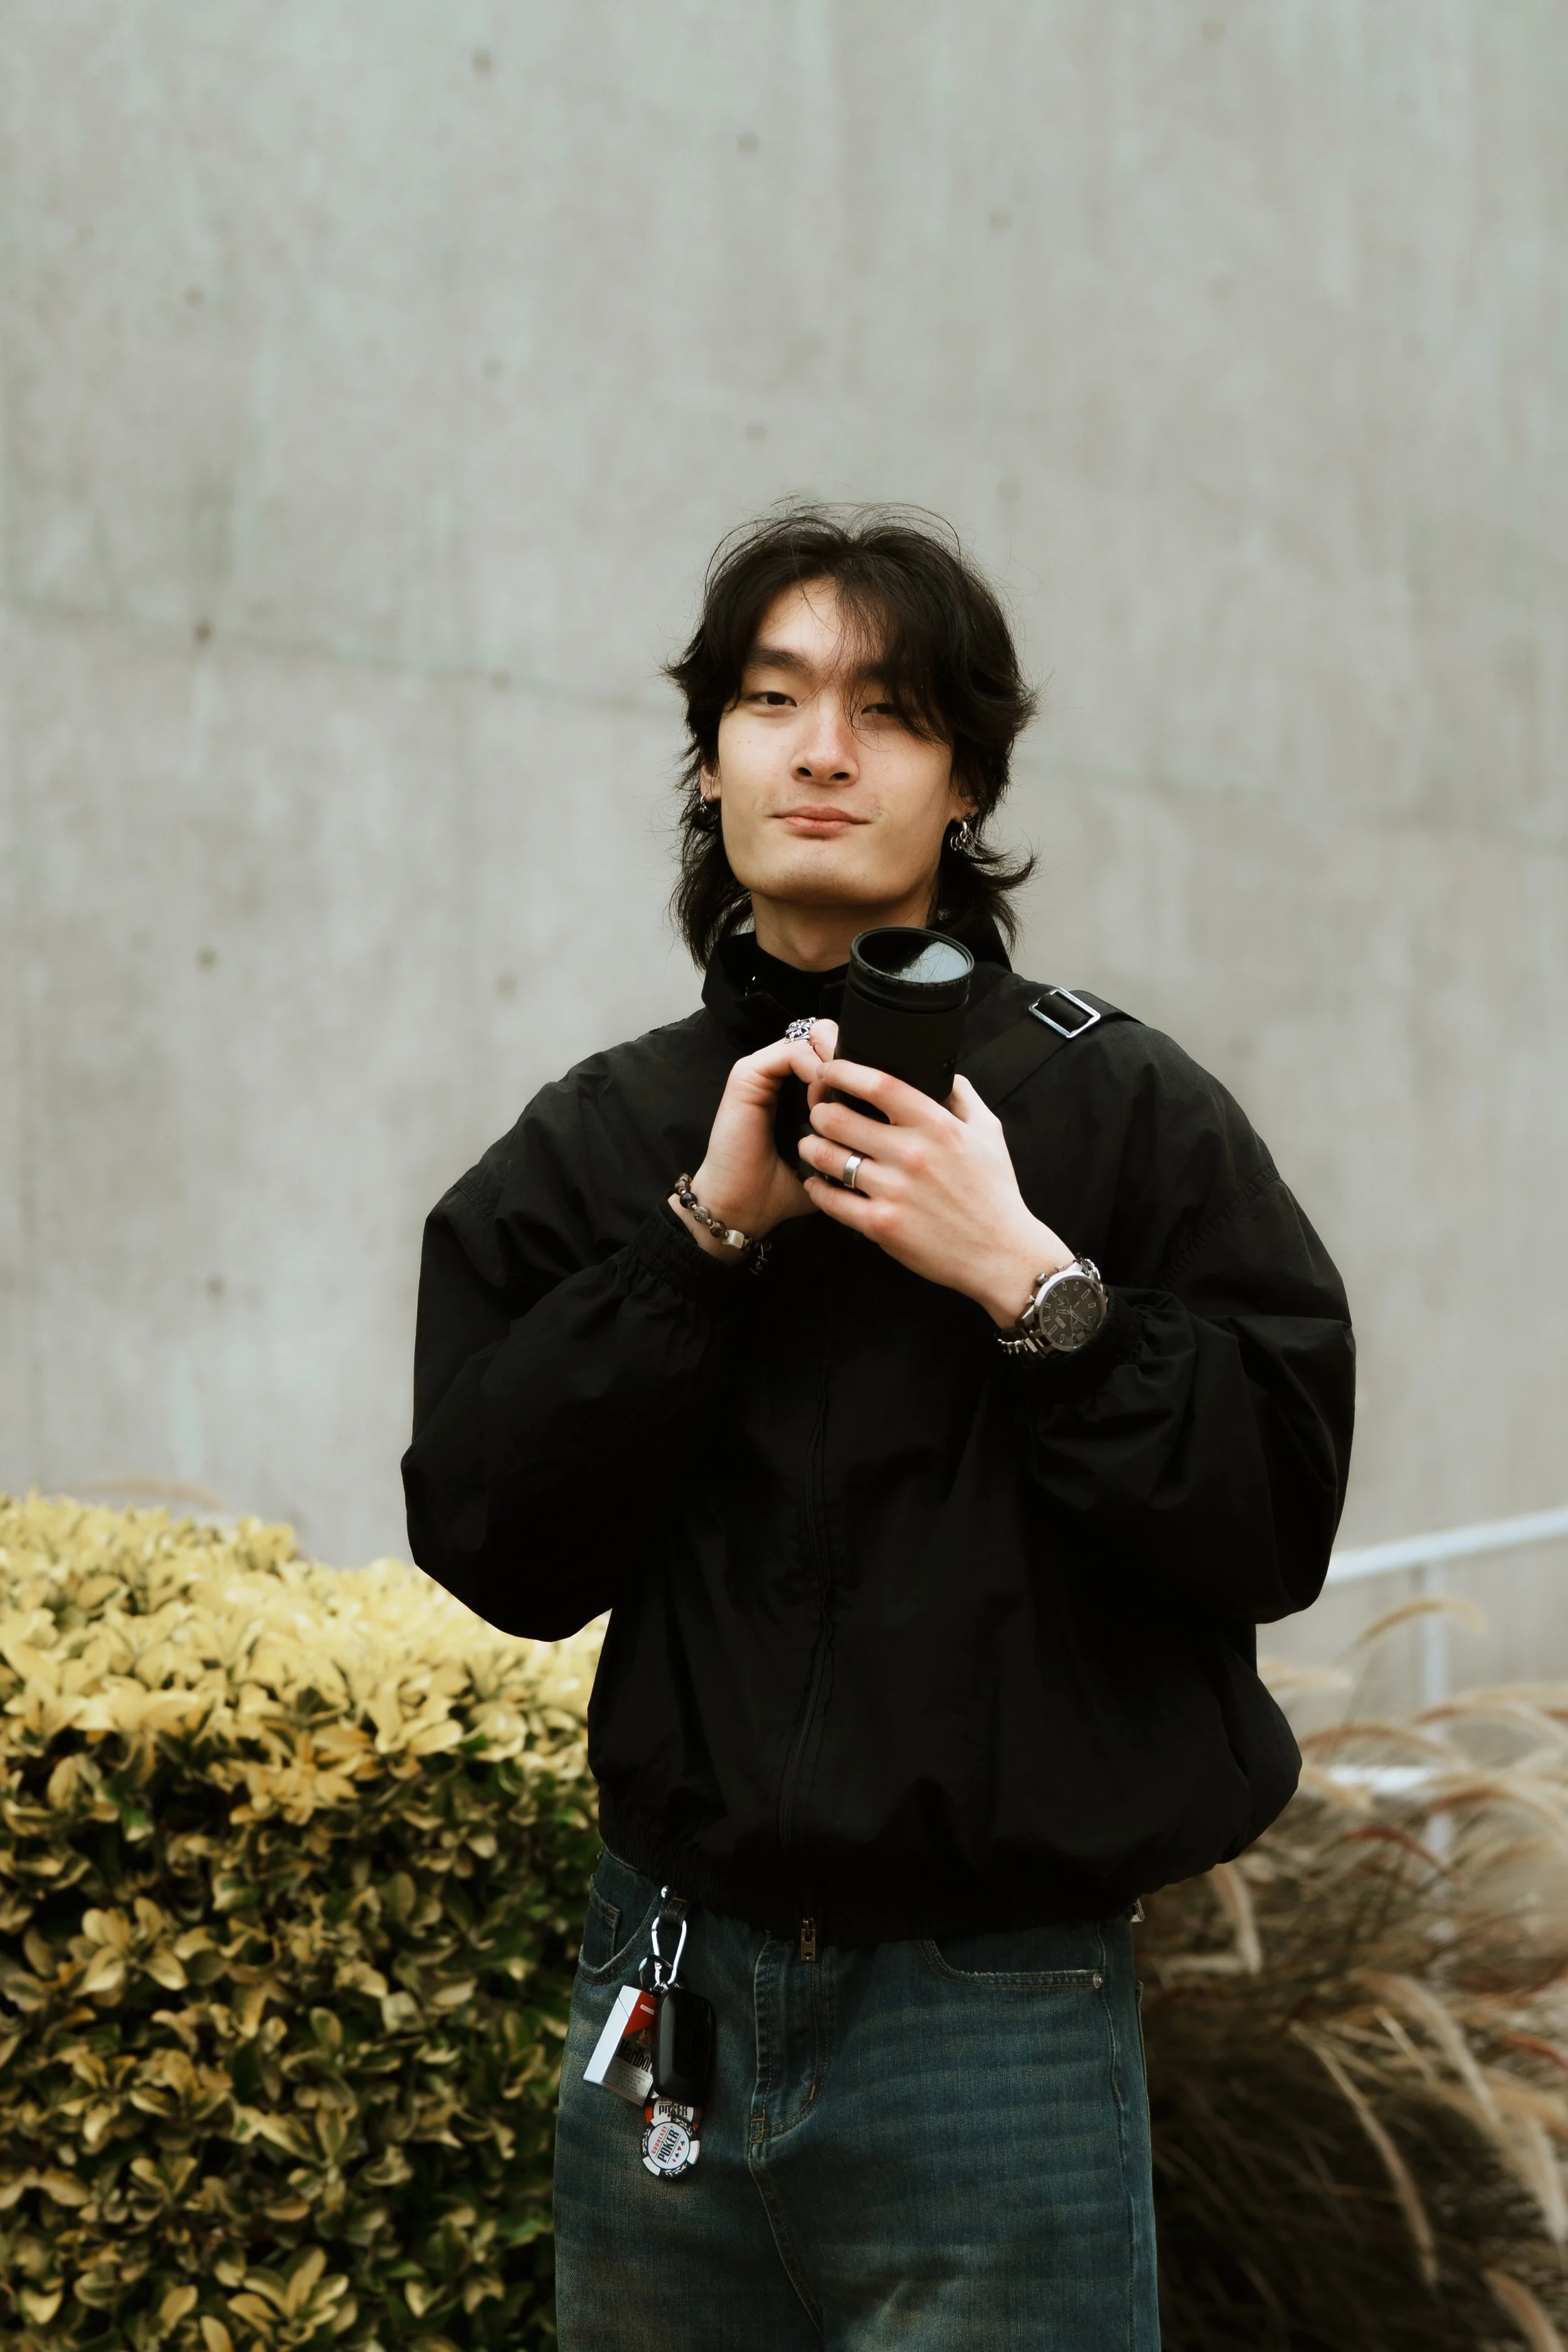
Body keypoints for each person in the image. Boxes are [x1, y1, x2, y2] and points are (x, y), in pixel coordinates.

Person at [402, 507, 1354, 2350]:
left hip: (990, 2021)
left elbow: (1272, 1517)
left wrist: (1031, 1286)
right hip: (664, 1984)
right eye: (770, 698)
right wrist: (701, 1247)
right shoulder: (607, 1139)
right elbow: (493, 1538)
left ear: (965, 777)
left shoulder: (1118, 1109)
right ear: (710, 757)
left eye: (884, 709)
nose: (820, 747)